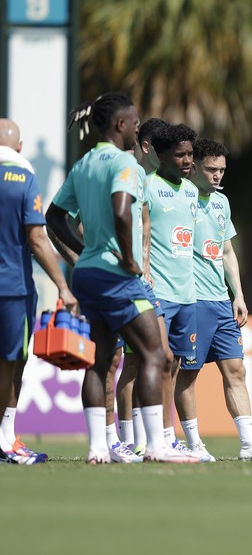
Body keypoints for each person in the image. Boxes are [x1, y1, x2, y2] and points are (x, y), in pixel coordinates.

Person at [46, 93, 198, 463]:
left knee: (98, 361)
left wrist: (84, 252)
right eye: (133, 122)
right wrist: (129, 258)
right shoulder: (124, 163)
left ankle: (100, 448)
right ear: (120, 125)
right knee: (155, 353)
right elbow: (121, 210)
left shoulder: (84, 164)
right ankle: (157, 446)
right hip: (118, 275)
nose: (137, 128)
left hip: (87, 274)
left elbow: (53, 217)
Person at [174, 139, 252, 461]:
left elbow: (225, 251)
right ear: (193, 166)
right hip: (190, 300)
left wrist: (238, 294)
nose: (217, 176)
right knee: (188, 373)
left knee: (236, 369)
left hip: (220, 301)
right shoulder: (181, 198)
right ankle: (194, 444)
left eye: (222, 170)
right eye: (211, 170)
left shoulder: (222, 203)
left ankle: (249, 443)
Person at [0, 118, 77, 464]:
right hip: (11, 287)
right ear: (18, 148)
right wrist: (63, 284)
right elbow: (36, 237)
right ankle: (5, 441)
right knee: (11, 363)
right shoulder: (23, 177)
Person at [115, 118, 171, 455]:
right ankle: (125, 440)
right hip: (117, 279)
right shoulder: (129, 172)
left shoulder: (148, 182)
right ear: (148, 148)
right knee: (125, 362)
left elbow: (145, 224)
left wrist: (146, 265)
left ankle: (150, 440)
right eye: (161, 148)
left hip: (142, 282)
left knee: (157, 355)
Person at [145, 123, 201, 454]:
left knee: (177, 364)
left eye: (190, 154)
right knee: (162, 359)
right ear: (161, 156)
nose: (186, 161)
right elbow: (143, 234)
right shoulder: (148, 186)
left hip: (188, 293)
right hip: (159, 290)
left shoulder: (193, 192)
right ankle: (162, 437)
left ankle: (167, 436)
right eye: (179, 154)